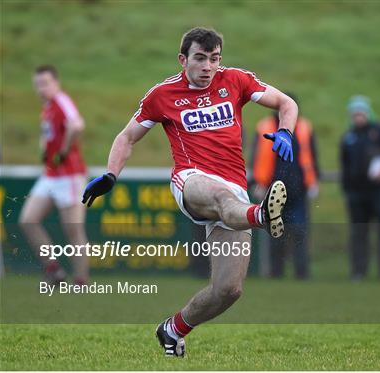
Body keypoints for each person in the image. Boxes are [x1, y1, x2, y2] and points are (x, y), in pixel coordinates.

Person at [81, 27, 298, 358]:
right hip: (191, 180)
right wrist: (111, 174)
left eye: (214, 59)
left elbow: (286, 103)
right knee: (225, 200)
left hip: (235, 190)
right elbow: (126, 137)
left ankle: (173, 329)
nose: (207, 67)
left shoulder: (236, 80)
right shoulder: (162, 95)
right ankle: (261, 215)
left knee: (228, 290)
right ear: (183, 60)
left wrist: (286, 132)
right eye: (199, 59)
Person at [19, 65, 89, 285]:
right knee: (28, 220)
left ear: (56, 83)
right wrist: (45, 150)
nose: (41, 88)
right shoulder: (48, 107)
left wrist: (63, 151)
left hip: (69, 175)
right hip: (51, 175)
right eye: (38, 84)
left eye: (45, 83)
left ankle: (81, 281)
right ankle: (54, 269)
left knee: (73, 230)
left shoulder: (61, 101)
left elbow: (77, 125)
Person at [251, 93, 319, 279]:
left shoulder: (304, 127)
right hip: (272, 189)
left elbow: (312, 156)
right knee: (274, 233)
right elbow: (257, 157)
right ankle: (275, 272)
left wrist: (313, 182)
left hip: (298, 189)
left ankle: (302, 273)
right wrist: (259, 182)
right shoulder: (264, 127)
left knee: (299, 232)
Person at [339, 96, 380, 281]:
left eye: (361, 113)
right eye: (355, 114)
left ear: (368, 113)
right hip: (356, 194)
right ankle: (359, 272)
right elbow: (344, 165)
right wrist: (347, 190)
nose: (358, 117)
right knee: (359, 233)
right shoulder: (349, 137)